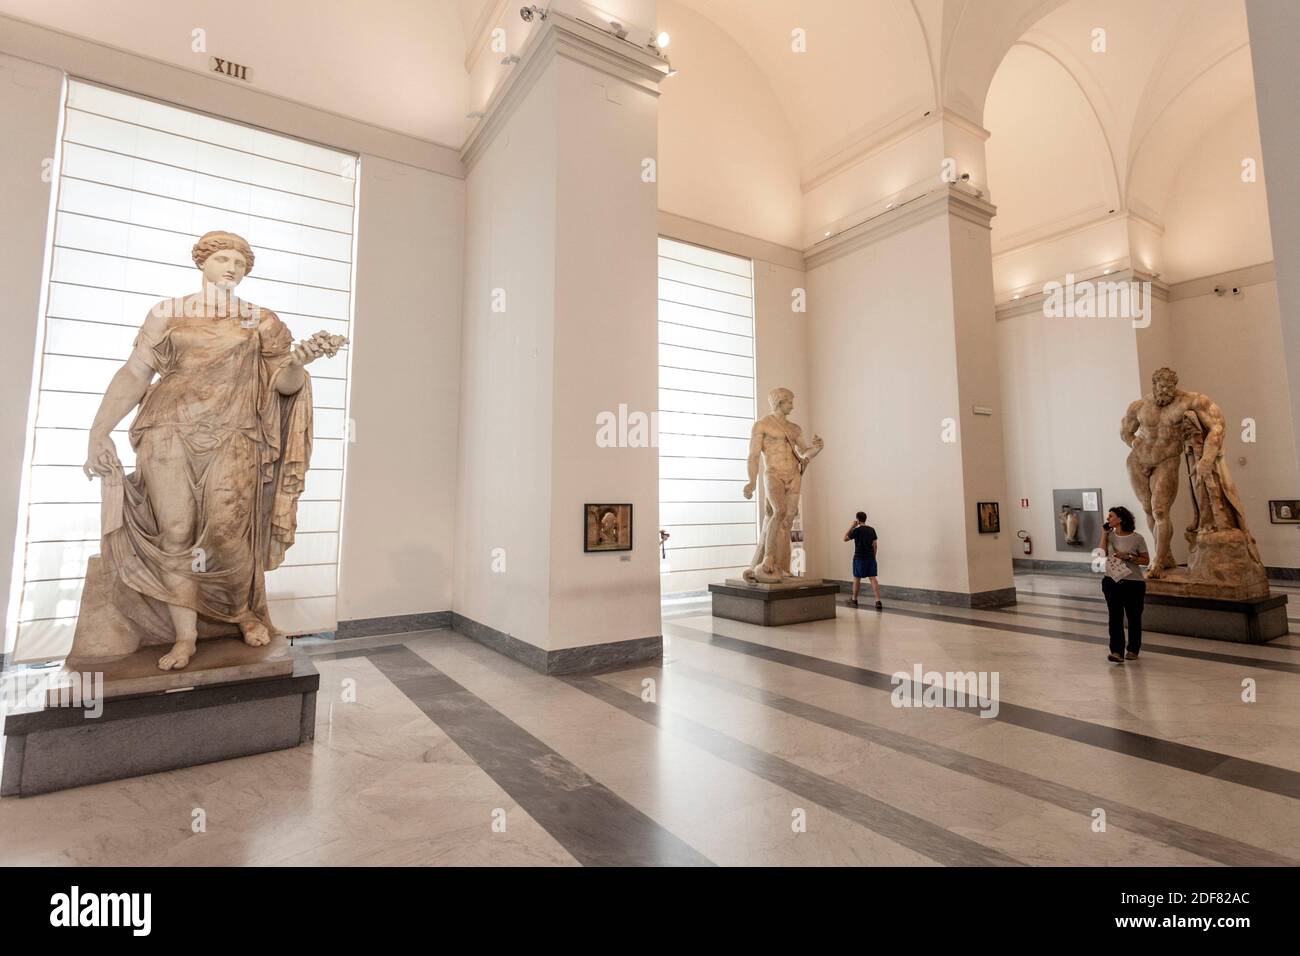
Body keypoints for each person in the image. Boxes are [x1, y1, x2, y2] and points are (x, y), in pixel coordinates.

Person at [1099, 506, 1149, 664]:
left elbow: (1145, 560)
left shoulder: (1137, 538)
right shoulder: (1110, 537)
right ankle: (1116, 651)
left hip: (1133, 583)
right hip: (1111, 581)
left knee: (1133, 617)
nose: (1108, 519)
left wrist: (1128, 556)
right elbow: (1101, 553)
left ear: (1120, 519)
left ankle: (1133, 649)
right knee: (1115, 617)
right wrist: (1104, 534)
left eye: (1111, 516)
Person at [843, 511, 881, 609]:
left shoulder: (856, 530)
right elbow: (875, 545)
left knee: (856, 578)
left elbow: (845, 538)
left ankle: (854, 599)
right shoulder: (871, 530)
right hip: (870, 558)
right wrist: (873, 557)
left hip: (859, 558)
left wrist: (852, 526)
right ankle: (878, 601)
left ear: (858, 520)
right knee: (873, 578)